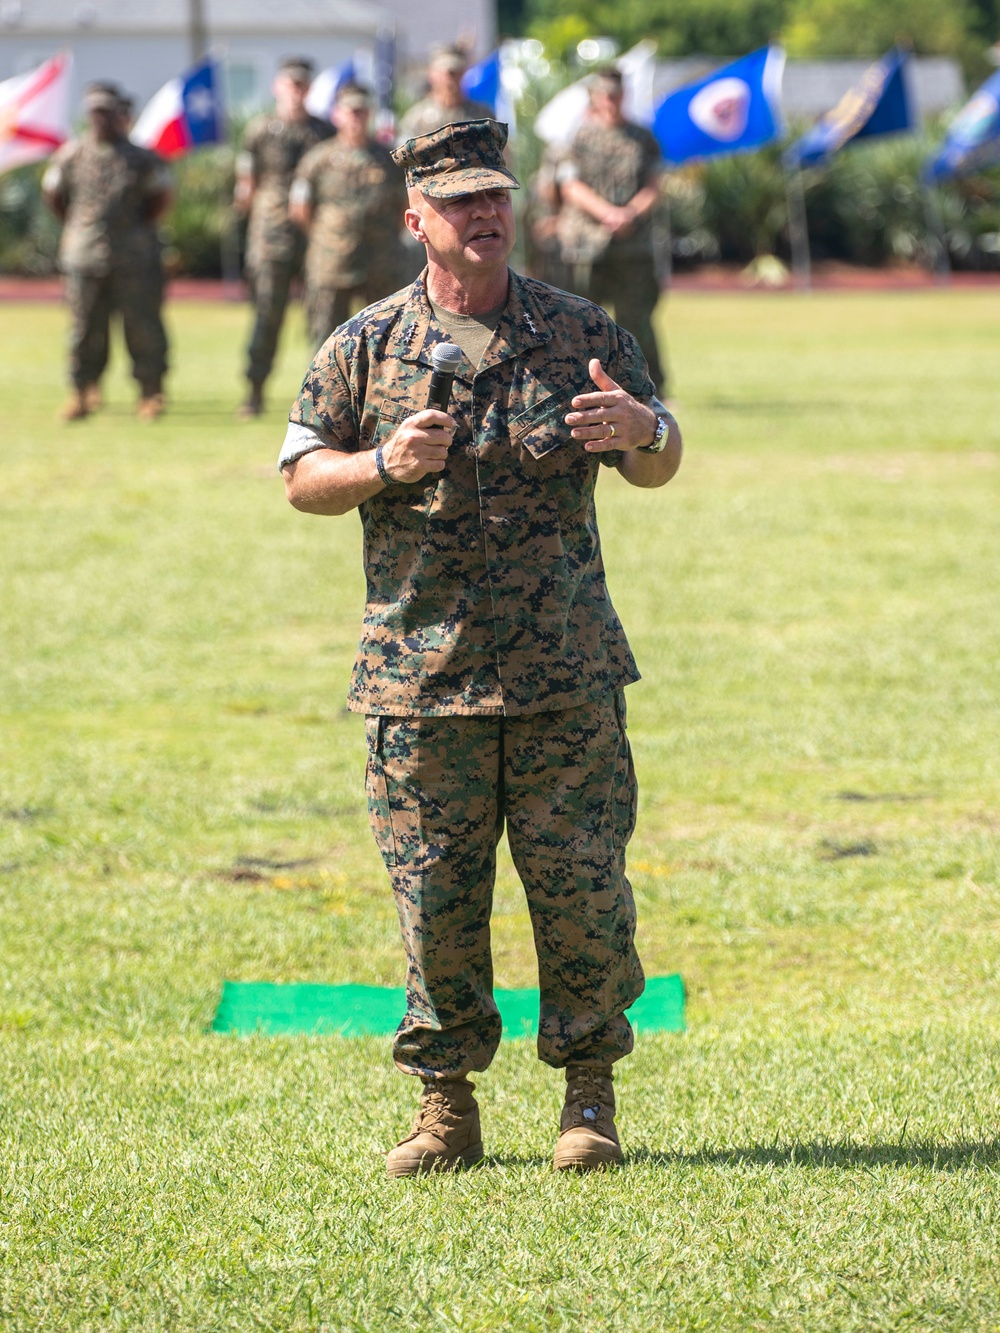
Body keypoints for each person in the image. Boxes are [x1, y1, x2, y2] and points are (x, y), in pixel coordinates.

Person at [278, 120, 681, 1177]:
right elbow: (299, 477)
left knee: (584, 891)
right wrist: (381, 464)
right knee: (434, 900)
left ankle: (588, 1100)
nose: (484, 214)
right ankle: (445, 1108)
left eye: (493, 196)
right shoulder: (366, 345)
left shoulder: (577, 327)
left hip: (565, 677)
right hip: (421, 678)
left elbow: (658, 455)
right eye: (459, 202)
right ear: (416, 220)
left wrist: (645, 430)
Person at [42, 82, 171, 422]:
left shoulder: (141, 159)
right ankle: (82, 391)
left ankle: (149, 391)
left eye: (106, 112)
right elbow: (55, 195)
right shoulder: (71, 155)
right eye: (94, 112)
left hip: (134, 258)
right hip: (83, 258)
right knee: (84, 329)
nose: (100, 119)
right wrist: (79, 227)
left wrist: (135, 229)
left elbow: (160, 199)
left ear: (119, 115)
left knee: (142, 327)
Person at [557, 67, 668, 396]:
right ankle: (578, 387)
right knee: (582, 324)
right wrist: (606, 213)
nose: (611, 101)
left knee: (638, 321)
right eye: (604, 94)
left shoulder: (643, 138)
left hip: (632, 246)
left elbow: (654, 184)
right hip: (586, 245)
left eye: (616, 94)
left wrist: (629, 213)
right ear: (595, 96)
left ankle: (651, 390)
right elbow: (570, 186)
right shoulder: (579, 136)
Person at [235, 57, 334, 418]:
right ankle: (254, 391)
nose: (296, 91)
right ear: (278, 86)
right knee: (267, 315)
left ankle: (323, 398)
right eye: (290, 84)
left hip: (316, 238)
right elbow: (246, 184)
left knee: (321, 320)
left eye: (302, 84)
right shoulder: (260, 130)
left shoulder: (323, 131)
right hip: (271, 236)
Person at [289, 84, 407, 350]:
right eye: (350, 111)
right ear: (337, 115)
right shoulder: (318, 159)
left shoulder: (389, 159)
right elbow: (300, 209)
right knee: (326, 340)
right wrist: (327, 236)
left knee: (384, 339)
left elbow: (405, 207)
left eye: (362, 111)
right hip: (331, 264)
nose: (356, 117)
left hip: (380, 262)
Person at [397, 46, 493, 141]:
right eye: (446, 73)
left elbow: (499, 151)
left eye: (456, 72)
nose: (450, 78)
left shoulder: (481, 117)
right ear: (432, 74)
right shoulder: (417, 119)